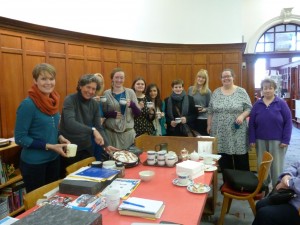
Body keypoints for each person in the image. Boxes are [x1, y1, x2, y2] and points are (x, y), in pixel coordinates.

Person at [14, 63, 69, 192]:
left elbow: (52, 128)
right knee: (37, 206)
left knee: (53, 200)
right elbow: (20, 138)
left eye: (51, 78)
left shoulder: (53, 101)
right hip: (34, 164)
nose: (48, 82)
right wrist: (49, 146)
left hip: (53, 159)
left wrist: (60, 137)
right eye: (43, 79)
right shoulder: (28, 105)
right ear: (35, 81)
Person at [59, 74, 117, 175]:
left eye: (93, 89)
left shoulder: (94, 104)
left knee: (87, 177)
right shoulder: (70, 100)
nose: (90, 91)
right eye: (88, 87)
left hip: (86, 148)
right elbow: (70, 123)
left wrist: (106, 144)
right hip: (69, 148)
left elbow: (98, 126)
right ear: (80, 86)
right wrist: (92, 130)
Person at [249, 78, 292, 187]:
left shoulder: (281, 103)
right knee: (262, 165)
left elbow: (288, 122)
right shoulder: (257, 105)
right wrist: (252, 139)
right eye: (265, 88)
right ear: (261, 90)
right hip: (260, 140)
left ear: (274, 89)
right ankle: (263, 187)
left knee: (276, 167)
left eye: (270, 88)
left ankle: (276, 188)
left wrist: (286, 140)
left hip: (278, 141)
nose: (267, 90)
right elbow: (252, 124)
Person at [207, 68, 252, 172]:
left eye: (228, 76)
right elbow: (210, 111)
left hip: (237, 131)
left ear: (233, 77)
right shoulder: (216, 92)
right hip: (220, 131)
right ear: (221, 79)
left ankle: (243, 184)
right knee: (224, 159)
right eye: (224, 77)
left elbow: (249, 108)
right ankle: (228, 183)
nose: (226, 78)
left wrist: (241, 116)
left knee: (240, 159)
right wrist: (209, 125)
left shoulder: (241, 91)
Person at [102, 68, 141, 149]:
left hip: (128, 135)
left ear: (124, 79)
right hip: (111, 134)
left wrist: (132, 105)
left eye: (121, 78)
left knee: (129, 158)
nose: (119, 80)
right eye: (116, 77)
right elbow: (102, 113)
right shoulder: (106, 93)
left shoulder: (130, 92)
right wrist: (111, 114)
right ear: (112, 78)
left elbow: (138, 114)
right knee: (113, 159)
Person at [188, 69, 211, 136]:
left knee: (202, 141)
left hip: (202, 119)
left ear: (205, 80)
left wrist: (204, 109)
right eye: (199, 77)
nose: (200, 79)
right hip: (192, 118)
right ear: (196, 78)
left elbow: (211, 107)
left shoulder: (207, 91)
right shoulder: (190, 89)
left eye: (203, 78)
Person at [91, 73, 107, 161]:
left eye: (101, 82)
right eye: (97, 81)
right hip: (91, 135)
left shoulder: (99, 99)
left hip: (100, 132)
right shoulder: (89, 98)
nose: (99, 84)